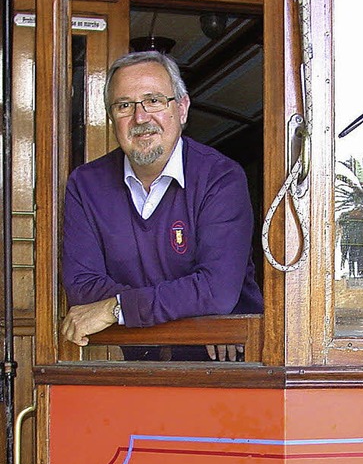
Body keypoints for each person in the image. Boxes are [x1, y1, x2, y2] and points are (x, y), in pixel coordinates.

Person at [61, 50, 263, 360]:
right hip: (141, 365)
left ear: (182, 109)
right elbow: (83, 288)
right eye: (124, 105)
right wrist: (193, 304)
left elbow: (217, 290)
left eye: (154, 100)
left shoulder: (220, 177)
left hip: (225, 362)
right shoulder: (86, 185)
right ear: (111, 117)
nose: (140, 117)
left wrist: (118, 308)